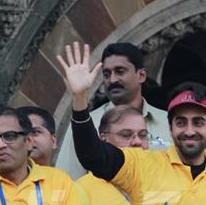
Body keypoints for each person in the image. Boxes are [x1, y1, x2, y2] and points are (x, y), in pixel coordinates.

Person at [58, 42, 206, 205]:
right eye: (181, 122)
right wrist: (79, 98)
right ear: (170, 129)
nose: (189, 131)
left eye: (198, 122)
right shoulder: (143, 163)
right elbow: (93, 156)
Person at [55, 42, 170, 178]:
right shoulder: (86, 124)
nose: (113, 79)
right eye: (107, 74)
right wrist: (79, 95)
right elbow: (67, 179)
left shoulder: (168, 122)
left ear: (141, 75)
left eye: (120, 71)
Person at [65, 105, 149, 205]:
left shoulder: (161, 178)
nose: (137, 141)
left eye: (143, 135)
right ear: (104, 139)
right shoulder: (82, 188)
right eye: (126, 135)